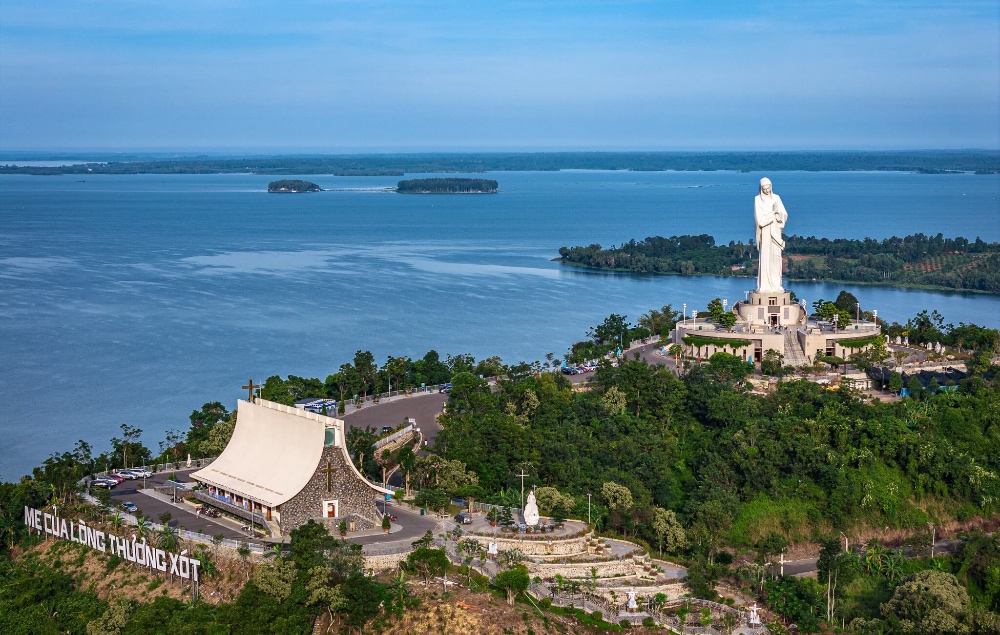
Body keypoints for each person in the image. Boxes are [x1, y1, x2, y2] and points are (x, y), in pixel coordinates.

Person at [754, 177, 788, 293]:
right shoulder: (757, 200)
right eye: (764, 189)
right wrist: (773, 212)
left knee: (776, 259)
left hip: (775, 234)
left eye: (769, 188)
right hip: (765, 235)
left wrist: (779, 216)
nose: (767, 191)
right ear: (760, 188)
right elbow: (760, 221)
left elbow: (784, 214)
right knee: (765, 259)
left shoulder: (776, 198)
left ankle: (776, 284)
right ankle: (764, 286)